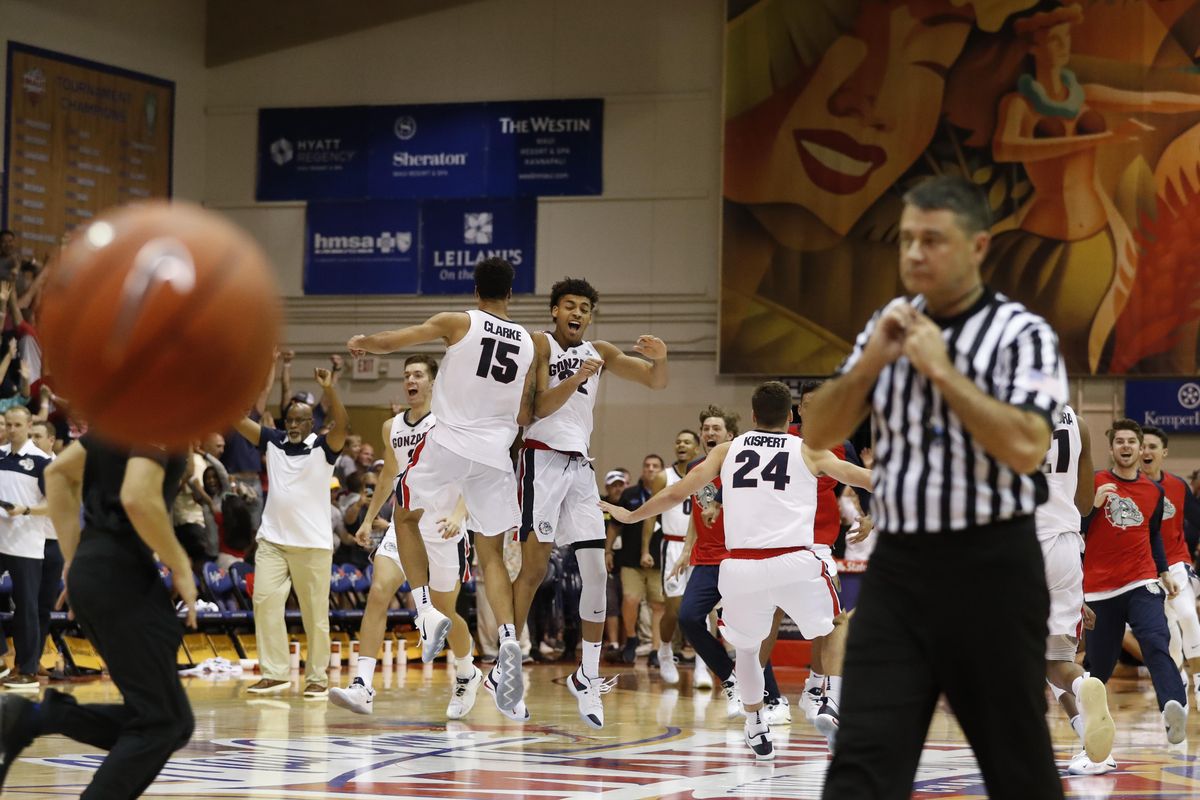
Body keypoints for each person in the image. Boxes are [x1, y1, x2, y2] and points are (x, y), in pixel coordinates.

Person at [807, 175, 1068, 799]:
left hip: (993, 570)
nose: (915, 254)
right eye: (905, 240)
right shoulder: (886, 324)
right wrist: (871, 362)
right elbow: (816, 430)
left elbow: (1029, 445)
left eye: (933, 240)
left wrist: (943, 373)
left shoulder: (1021, 333)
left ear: (978, 247)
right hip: (900, 570)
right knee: (860, 767)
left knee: (1018, 769)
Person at [604, 381, 872, 760]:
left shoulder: (729, 449)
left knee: (746, 650)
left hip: (741, 566)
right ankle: (830, 700)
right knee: (837, 625)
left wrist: (631, 514)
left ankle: (755, 724)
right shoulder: (809, 450)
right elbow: (861, 478)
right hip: (795, 560)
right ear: (791, 415)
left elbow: (680, 492)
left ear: (751, 415)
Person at [348, 257, 535, 719]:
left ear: (476, 291)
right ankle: (508, 641)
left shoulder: (460, 321)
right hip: (497, 453)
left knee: (405, 514)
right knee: (491, 554)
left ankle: (427, 609)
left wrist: (364, 343)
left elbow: (396, 340)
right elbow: (531, 406)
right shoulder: (531, 343)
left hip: (450, 443)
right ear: (511, 294)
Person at [1, 436, 196, 798]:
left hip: (97, 569)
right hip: (123, 577)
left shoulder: (119, 416)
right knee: (161, 723)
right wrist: (180, 564)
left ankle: (31, 718)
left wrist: (75, 560)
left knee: (172, 722)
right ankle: (31, 718)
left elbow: (59, 473)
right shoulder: (161, 417)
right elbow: (138, 498)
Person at [511, 277, 668, 727]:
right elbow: (536, 409)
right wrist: (578, 377)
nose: (578, 313)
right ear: (554, 311)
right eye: (570, 306)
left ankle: (589, 675)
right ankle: (507, 665)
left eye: (585, 307)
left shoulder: (598, 351)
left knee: (597, 572)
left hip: (580, 468)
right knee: (534, 570)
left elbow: (655, 383)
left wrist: (661, 359)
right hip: (540, 460)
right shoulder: (538, 345)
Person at [330, 355, 479, 720]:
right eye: (406, 375)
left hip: (444, 529)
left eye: (418, 375)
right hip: (404, 525)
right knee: (379, 590)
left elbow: (474, 472)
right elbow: (388, 476)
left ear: (433, 382)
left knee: (445, 612)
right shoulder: (391, 427)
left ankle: (466, 672)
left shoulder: (451, 422)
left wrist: (461, 514)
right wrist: (367, 520)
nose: (410, 380)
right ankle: (362, 685)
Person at [234, 368, 348, 699]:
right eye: (290, 421)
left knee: (315, 615)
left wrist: (330, 390)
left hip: (312, 545)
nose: (295, 426)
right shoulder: (273, 440)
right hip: (272, 541)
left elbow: (342, 425)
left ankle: (316, 677)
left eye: (301, 420)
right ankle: (275, 674)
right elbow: (239, 423)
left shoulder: (325, 447)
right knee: (265, 602)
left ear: (311, 424)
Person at [1082, 419, 1187, 743]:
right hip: (1099, 588)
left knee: (1157, 641)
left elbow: (1153, 534)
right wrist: (1091, 507)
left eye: (1131, 441)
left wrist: (1164, 570)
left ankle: (1174, 705)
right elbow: (1072, 527)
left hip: (1141, 582)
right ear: (1112, 447)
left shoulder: (1154, 491)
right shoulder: (1092, 482)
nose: (1126, 446)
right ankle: (1088, 732)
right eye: (1120, 442)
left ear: (1140, 448)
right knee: (1099, 667)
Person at [1036, 404, 1116, 775]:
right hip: (1066, 546)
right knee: (1056, 661)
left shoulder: (996, 408)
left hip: (1014, 543)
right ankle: (1090, 729)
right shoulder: (1077, 422)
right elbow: (1084, 503)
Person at [1139, 425, 1200, 704]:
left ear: (1163, 452)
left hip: (1176, 561)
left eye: (1152, 446)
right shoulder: (1128, 487)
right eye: (1142, 446)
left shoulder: (1177, 485)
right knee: (1169, 633)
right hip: (1143, 568)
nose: (1145, 451)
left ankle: (1198, 680)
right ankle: (1178, 685)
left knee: (1187, 613)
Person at [0, 406, 53, 689]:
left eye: (16, 425)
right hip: (0, 541)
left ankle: (28, 669)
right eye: (8, 424)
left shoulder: (42, 461)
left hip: (26, 545)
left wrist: (26, 510)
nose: (11, 429)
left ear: (29, 424)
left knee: (26, 608)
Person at [606, 454, 665, 664]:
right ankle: (631, 638)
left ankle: (656, 650)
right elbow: (614, 525)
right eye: (647, 465)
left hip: (660, 559)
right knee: (630, 600)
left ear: (662, 470)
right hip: (630, 559)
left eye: (655, 466)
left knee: (658, 605)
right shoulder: (629, 494)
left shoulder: (668, 494)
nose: (650, 469)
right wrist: (608, 551)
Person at [652, 430, 700, 678]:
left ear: (696, 448)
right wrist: (644, 549)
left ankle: (703, 662)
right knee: (674, 609)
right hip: (671, 546)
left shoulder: (705, 473)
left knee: (705, 609)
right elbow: (651, 513)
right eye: (678, 441)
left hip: (700, 547)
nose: (681, 445)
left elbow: (712, 508)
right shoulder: (664, 477)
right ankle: (666, 651)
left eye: (687, 442)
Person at [29, 419, 62, 662]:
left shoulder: (61, 467)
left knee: (42, 607)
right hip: (27, 541)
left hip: (52, 542)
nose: (33, 441)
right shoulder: (24, 463)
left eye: (38, 436)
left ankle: (34, 659)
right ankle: (21, 658)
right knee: (25, 605)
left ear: (51, 440)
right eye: (31, 436)